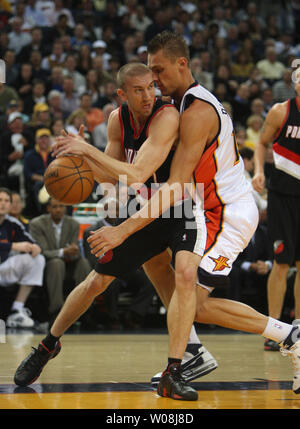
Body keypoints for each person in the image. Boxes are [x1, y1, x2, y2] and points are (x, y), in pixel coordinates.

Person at [81, 32, 300, 400]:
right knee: (163, 267)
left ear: (182, 64)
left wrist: (120, 232)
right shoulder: (177, 103)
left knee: (193, 300)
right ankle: (192, 354)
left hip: (226, 211)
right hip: (204, 206)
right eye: (149, 73)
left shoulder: (197, 111)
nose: (154, 80)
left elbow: (175, 186)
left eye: (158, 71)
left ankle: (288, 336)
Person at [14, 62, 217, 395]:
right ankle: (47, 346)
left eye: (151, 86)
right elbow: (113, 177)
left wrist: (86, 151)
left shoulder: (166, 116)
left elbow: (136, 173)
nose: (148, 95)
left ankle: (176, 370)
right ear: (122, 94)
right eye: (138, 90)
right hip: (143, 209)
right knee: (96, 280)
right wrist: (86, 165)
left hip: (179, 205)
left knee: (182, 275)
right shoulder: (116, 120)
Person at [252, 69, 300, 351]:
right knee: (281, 263)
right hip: (282, 196)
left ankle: (298, 328)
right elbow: (260, 142)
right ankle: (274, 328)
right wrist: (258, 171)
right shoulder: (281, 112)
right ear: (295, 85)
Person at [29, 197, 92, 324]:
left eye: (61, 206)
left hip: (68, 263)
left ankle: (83, 308)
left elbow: (74, 252)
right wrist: (63, 252)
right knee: (57, 263)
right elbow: (42, 251)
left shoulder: (73, 224)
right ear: (48, 209)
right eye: (54, 207)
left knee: (84, 263)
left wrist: (73, 252)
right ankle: (56, 310)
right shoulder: (37, 224)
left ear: (66, 208)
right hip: (46, 266)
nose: (58, 210)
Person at [0, 187, 45, 328]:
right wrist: (13, 246)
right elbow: (14, 246)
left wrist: (35, 247)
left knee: (38, 259)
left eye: (7, 200)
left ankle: (17, 310)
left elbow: (30, 241)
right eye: (0, 200)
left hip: (3, 268)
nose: (3, 204)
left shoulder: (13, 223)